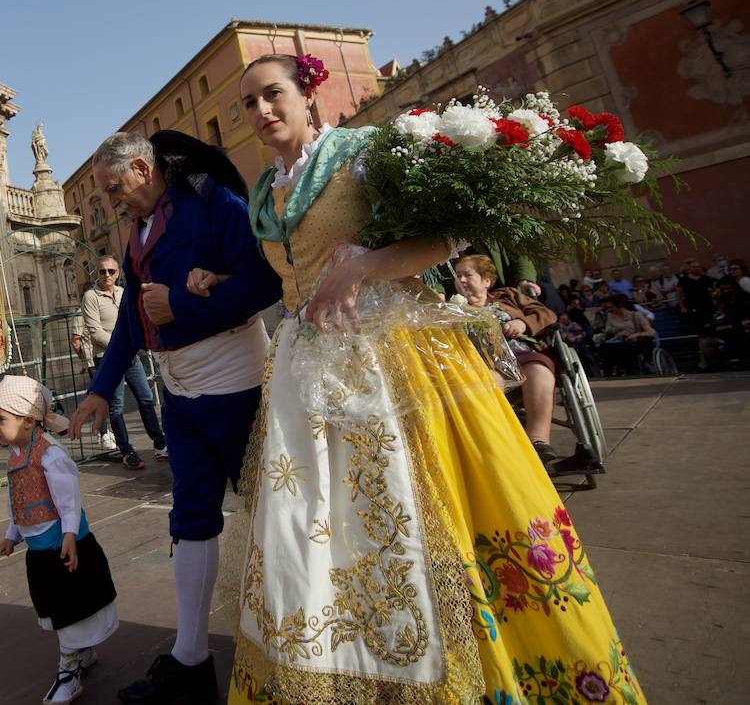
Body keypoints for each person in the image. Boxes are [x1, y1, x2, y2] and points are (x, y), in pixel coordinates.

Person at [210, 54, 642, 704]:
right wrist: (211, 282)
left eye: (273, 95)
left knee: (429, 525)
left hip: (397, 362)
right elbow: (283, 277)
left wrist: (362, 268)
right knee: (317, 540)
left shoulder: (363, 153)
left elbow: (449, 238)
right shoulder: (266, 195)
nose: (261, 111)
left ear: (308, 96)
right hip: (308, 375)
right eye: (248, 103)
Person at [68, 130, 279, 704]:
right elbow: (136, 320)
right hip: (180, 393)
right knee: (190, 516)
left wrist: (182, 304)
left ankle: (292, 645)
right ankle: (190, 660)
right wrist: (99, 388)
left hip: (234, 383)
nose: (113, 201)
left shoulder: (213, 202)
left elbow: (266, 279)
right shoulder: (136, 229)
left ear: (141, 167)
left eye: (115, 188)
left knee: (268, 510)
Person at [0, 376, 118, 704]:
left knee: (69, 610)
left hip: (63, 548)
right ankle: (81, 654)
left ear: (28, 420)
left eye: (0, 419)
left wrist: (70, 535)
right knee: (61, 609)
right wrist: (11, 535)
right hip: (40, 553)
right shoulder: (16, 457)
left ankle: (69, 670)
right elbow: (18, 503)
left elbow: (68, 501)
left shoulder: (50, 456)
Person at [453, 254, 562, 464]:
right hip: (485, 362)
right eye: (458, 276)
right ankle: (501, 451)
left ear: (486, 280)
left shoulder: (508, 295)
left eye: (467, 274)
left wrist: (522, 323)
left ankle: (538, 441)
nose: (462, 280)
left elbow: (546, 314)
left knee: (538, 369)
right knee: (485, 382)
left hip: (521, 354)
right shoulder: (454, 309)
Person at [78, 256, 165, 469]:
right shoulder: (91, 296)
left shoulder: (123, 293)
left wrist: (133, 345)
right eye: (102, 271)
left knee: (146, 397)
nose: (107, 275)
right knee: (116, 404)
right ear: (96, 274)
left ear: (118, 273)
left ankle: (161, 443)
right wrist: (125, 345)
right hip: (107, 357)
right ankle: (127, 451)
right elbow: (95, 332)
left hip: (131, 356)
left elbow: (136, 320)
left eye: (111, 271)